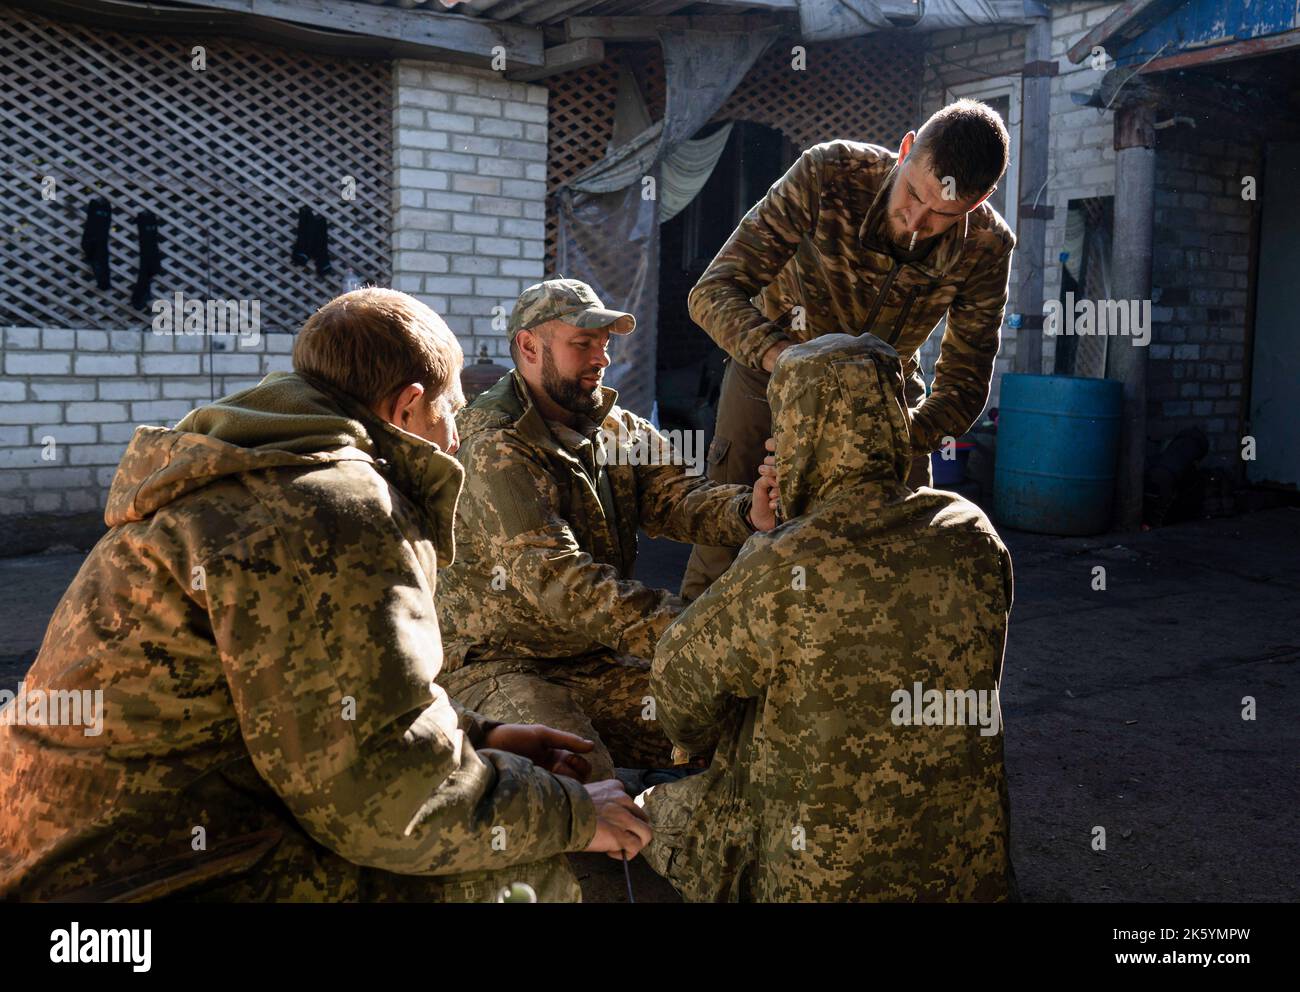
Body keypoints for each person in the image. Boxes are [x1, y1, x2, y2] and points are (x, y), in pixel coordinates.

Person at [0, 288, 649, 903]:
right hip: (134, 877)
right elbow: (383, 801)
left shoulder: (251, 462)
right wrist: (570, 813)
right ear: (407, 406)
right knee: (518, 866)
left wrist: (477, 736)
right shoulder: (331, 505)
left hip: (66, 846)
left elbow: (320, 704)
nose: (455, 439)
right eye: (449, 412)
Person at [640, 333, 1017, 902]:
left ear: (801, 431)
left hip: (818, 879)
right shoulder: (971, 532)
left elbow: (678, 695)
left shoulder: (785, 560)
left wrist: (768, 538)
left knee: (653, 810)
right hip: (969, 872)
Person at [437, 278, 779, 784]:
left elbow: (678, 498)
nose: (600, 358)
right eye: (582, 344)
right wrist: (703, 632)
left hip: (596, 658)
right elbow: (565, 584)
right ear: (529, 347)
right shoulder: (494, 444)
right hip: (502, 664)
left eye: (604, 344)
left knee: (744, 723)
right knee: (582, 783)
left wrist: (749, 511)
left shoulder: (615, 428)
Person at [682, 98, 1016, 599]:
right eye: (912, 195)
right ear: (905, 150)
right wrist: (784, 360)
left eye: (942, 214)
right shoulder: (830, 172)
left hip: (887, 400)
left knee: (894, 556)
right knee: (729, 536)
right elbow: (712, 292)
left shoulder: (987, 247)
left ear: (980, 199)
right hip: (771, 374)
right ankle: (689, 666)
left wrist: (894, 438)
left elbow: (965, 384)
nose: (916, 222)